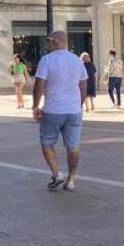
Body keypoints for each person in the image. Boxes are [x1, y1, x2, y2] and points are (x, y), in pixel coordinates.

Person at [33, 31, 89, 192]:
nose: (47, 44)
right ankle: (71, 180)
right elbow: (83, 84)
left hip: (53, 110)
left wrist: (36, 106)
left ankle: (56, 174)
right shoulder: (77, 61)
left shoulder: (47, 60)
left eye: (48, 41)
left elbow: (39, 84)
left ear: (55, 41)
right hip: (73, 111)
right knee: (74, 146)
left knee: (47, 142)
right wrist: (79, 104)